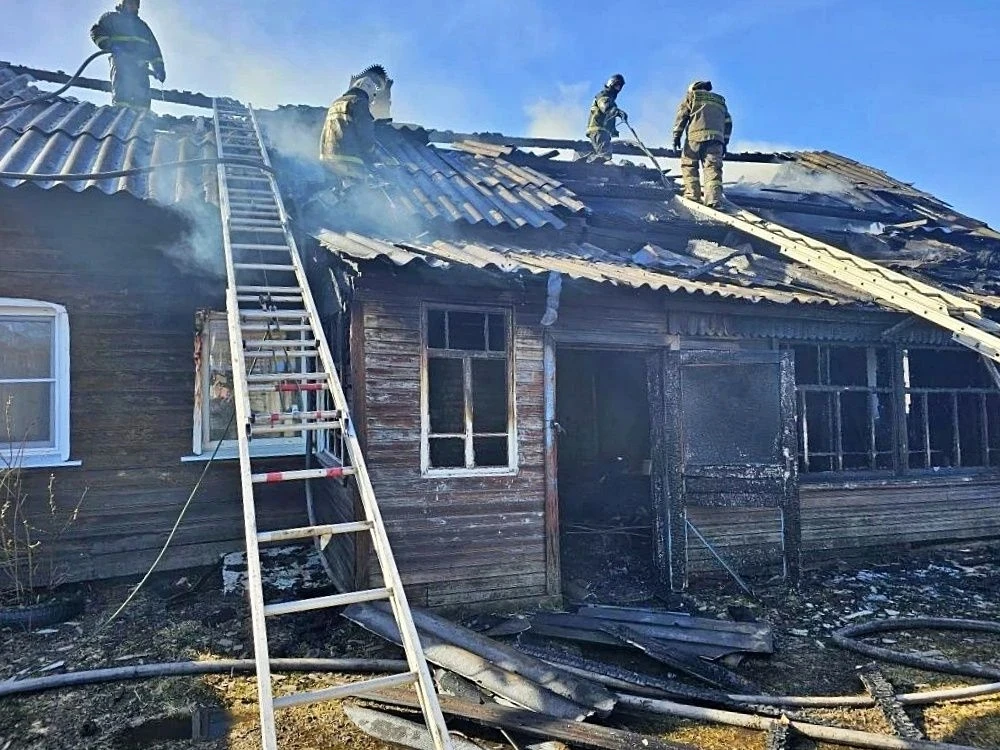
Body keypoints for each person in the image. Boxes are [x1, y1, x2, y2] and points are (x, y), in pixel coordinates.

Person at [90, 0, 165, 110]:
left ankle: (141, 123)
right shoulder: (111, 18)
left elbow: (154, 50)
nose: (132, 6)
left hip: (140, 67)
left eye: (135, 4)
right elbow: (96, 31)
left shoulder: (142, 26)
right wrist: (109, 45)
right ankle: (120, 119)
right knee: (122, 97)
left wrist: (159, 68)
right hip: (121, 62)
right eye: (129, 3)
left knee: (142, 101)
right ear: (123, 4)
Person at [320, 65, 390, 176]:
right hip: (350, 161)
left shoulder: (336, 102)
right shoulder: (359, 102)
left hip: (328, 158)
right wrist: (373, 154)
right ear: (369, 90)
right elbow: (365, 135)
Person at [672, 80, 732, 207]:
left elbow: (682, 116)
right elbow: (728, 123)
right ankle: (713, 200)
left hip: (695, 137)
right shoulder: (720, 101)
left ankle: (693, 196)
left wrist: (676, 136)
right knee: (713, 169)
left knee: (689, 165)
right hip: (716, 141)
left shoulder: (692, 96)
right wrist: (724, 143)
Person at [585, 74, 628, 163]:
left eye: (620, 87)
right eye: (616, 85)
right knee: (605, 154)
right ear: (611, 84)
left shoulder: (612, 101)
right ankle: (589, 164)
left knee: (604, 153)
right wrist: (617, 112)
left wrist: (613, 131)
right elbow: (605, 107)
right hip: (597, 130)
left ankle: (591, 160)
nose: (618, 88)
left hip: (603, 131)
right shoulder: (603, 95)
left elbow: (609, 119)